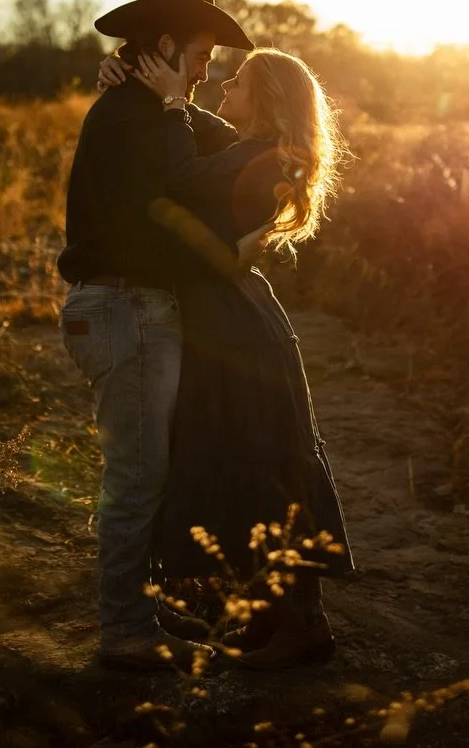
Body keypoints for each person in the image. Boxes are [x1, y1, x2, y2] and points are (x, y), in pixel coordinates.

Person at [97, 45, 356, 669]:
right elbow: (199, 145)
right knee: (247, 466)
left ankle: (303, 627)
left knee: (266, 469)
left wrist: (168, 102)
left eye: (235, 80)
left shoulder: (265, 155)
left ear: (264, 96)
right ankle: (276, 621)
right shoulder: (249, 147)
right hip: (229, 324)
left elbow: (185, 176)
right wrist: (126, 85)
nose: (221, 83)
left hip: (240, 331)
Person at [56, 0, 260, 672]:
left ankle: (136, 608)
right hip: (124, 308)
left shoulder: (143, 112)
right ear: (167, 46)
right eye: (200, 54)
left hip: (126, 309)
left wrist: (171, 99)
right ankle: (125, 633)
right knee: (138, 477)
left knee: (147, 470)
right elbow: (165, 213)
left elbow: (213, 147)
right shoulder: (128, 119)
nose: (208, 69)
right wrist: (225, 261)